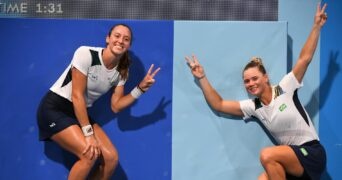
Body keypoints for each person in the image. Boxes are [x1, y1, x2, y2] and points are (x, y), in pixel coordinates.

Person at [185, 3, 327, 180]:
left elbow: (304, 59)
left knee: (267, 155)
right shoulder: (254, 107)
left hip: (311, 153)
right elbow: (219, 104)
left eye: (254, 78)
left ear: (265, 77)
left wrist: (316, 27)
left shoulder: (285, 87)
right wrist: (202, 77)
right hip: (291, 162)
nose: (250, 83)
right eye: (246, 81)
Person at [37, 24, 160, 180]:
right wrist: (88, 134)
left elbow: (116, 106)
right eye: (117, 36)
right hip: (54, 110)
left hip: (77, 113)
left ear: (129, 45)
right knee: (89, 155)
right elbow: (77, 96)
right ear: (107, 39)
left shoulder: (122, 70)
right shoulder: (86, 54)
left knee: (111, 158)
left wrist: (140, 89)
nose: (120, 41)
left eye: (126, 39)